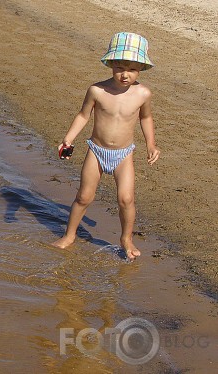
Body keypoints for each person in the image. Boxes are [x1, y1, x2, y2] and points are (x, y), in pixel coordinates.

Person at [52, 32, 161, 260]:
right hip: (96, 151)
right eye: (120, 67)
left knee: (126, 199)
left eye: (132, 69)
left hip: (123, 154)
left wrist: (151, 144)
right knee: (84, 196)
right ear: (110, 64)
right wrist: (68, 139)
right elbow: (83, 115)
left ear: (140, 68)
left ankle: (126, 238)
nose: (125, 74)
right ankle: (70, 235)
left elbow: (146, 119)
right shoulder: (97, 90)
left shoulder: (143, 94)